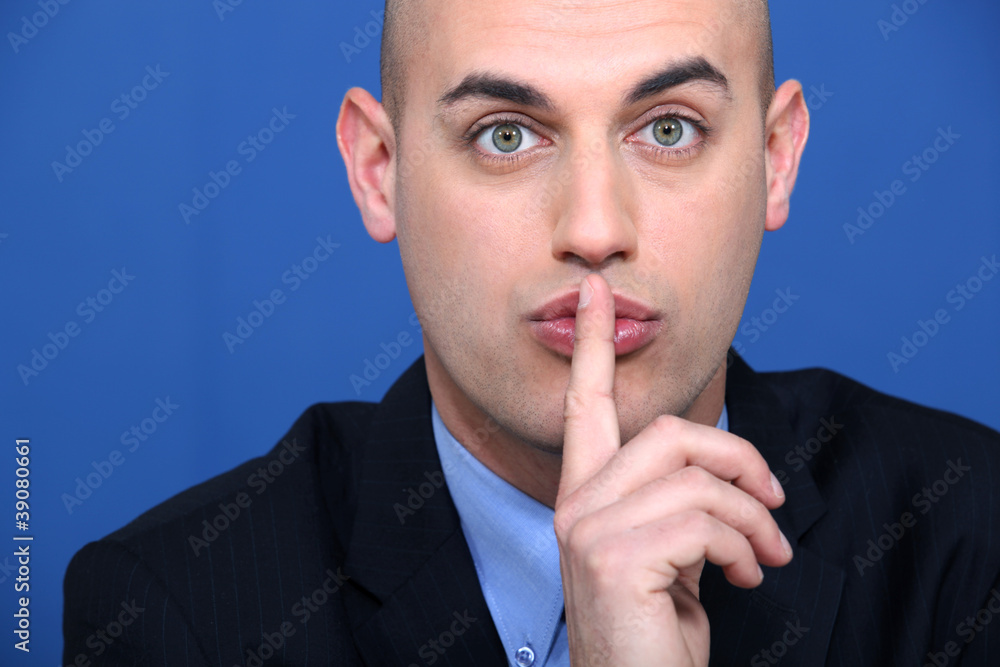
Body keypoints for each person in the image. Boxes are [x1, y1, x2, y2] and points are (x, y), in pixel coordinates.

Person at [63, 0, 1000, 665]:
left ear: (774, 157)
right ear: (380, 171)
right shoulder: (174, 612)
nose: (593, 229)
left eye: (669, 129)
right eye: (505, 135)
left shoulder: (971, 540)